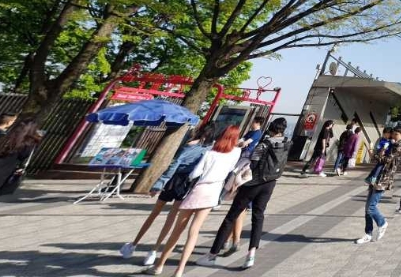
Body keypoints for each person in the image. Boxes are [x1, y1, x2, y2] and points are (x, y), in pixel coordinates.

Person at [145, 125, 242, 276]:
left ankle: (159, 265)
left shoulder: (210, 153)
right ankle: (180, 269)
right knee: (194, 231)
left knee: (177, 231)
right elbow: (232, 166)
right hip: (213, 192)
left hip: (199, 189)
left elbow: (195, 174)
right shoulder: (236, 153)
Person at [197, 118, 291, 270]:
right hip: (270, 183)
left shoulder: (265, 144)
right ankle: (251, 255)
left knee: (231, 217)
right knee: (258, 217)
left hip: (254, 182)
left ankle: (212, 255)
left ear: (271, 128)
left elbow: (253, 162)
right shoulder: (287, 143)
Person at [120, 125, 214, 266]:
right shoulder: (208, 150)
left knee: (154, 213)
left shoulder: (189, 145)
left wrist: (159, 184)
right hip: (186, 184)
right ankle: (154, 251)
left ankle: (134, 244)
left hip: (173, 180)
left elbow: (174, 165)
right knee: (171, 217)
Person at [356, 127, 401, 244]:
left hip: (383, 179)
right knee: (367, 209)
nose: (394, 136)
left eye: (396, 134)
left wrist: (374, 154)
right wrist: (379, 152)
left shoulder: (398, 146)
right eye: (393, 134)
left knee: (371, 207)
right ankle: (368, 233)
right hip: (376, 177)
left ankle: (382, 223)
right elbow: (381, 157)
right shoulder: (391, 143)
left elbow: (386, 160)